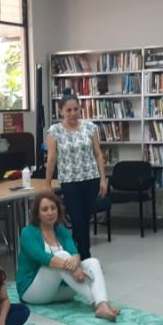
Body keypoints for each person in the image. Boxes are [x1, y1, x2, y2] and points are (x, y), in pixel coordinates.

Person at [16, 191, 119, 321]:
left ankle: (102, 302)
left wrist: (75, 265)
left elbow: (75, 254)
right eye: (45, 209)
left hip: (61, 292)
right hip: (32, 292)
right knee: (62, 255)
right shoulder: (28, 232)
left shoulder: (61, 230)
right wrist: (74, 269)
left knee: (92, 262)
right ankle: (96, 303)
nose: (50, 212)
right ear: (37, 214)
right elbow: (42, 257)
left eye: (53, 208)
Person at [45, 92, 109, 261]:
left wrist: (103, 179)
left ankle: (82, 256)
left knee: (85, 220)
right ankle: (82, 256)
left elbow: (98, 154)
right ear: (61, 112)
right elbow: (51, 159)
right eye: (68, 110)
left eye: (76, 109)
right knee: (77, 221)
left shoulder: (90, 127)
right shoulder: (54, 131)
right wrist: (47, 184)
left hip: (90, 179)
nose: (73, 113)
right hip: (70, 181)